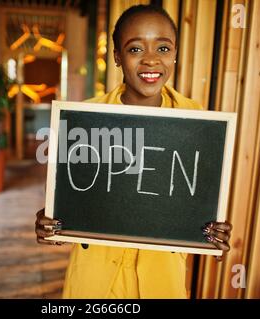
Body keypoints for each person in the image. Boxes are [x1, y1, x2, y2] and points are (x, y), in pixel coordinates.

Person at [35, 4, 232, 298]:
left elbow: (198, 203)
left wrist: (213, 232)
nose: (151, 60)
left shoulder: (198, 121)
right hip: (95, 283)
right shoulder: (84, 119)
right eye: (136, 49)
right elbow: (70, 202)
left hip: (161, 283)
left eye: (163, 48)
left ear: (175, 53)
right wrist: (52, 221)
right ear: (117, 56)